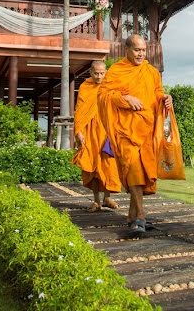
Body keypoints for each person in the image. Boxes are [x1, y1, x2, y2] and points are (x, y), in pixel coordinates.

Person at [98, 34, 173, 236]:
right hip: (124, 129)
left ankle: (132, 217)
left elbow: (157, 92)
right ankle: (141, 215)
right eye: (137, 50)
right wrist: (125, 98)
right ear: (127, 50)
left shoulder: (151, 72)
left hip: (146, 129)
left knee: (140, 172)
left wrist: (165, 98)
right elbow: (104, 96)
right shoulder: (116, 70)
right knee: (132, 169)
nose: (141, 54)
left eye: (143, 50)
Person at [72, 60, 121, 212]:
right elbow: (79, 111)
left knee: (108, 164)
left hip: (108, 130)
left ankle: (107, 198)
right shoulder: (85, 87)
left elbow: (117, 108)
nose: (99, 76)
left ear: (106, 72)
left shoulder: (111, 86)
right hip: (90, 132)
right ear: (90, 73)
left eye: (102, 73)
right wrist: (78, 131)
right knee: (92, 166)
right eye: (96, 73)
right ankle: (96, 201)